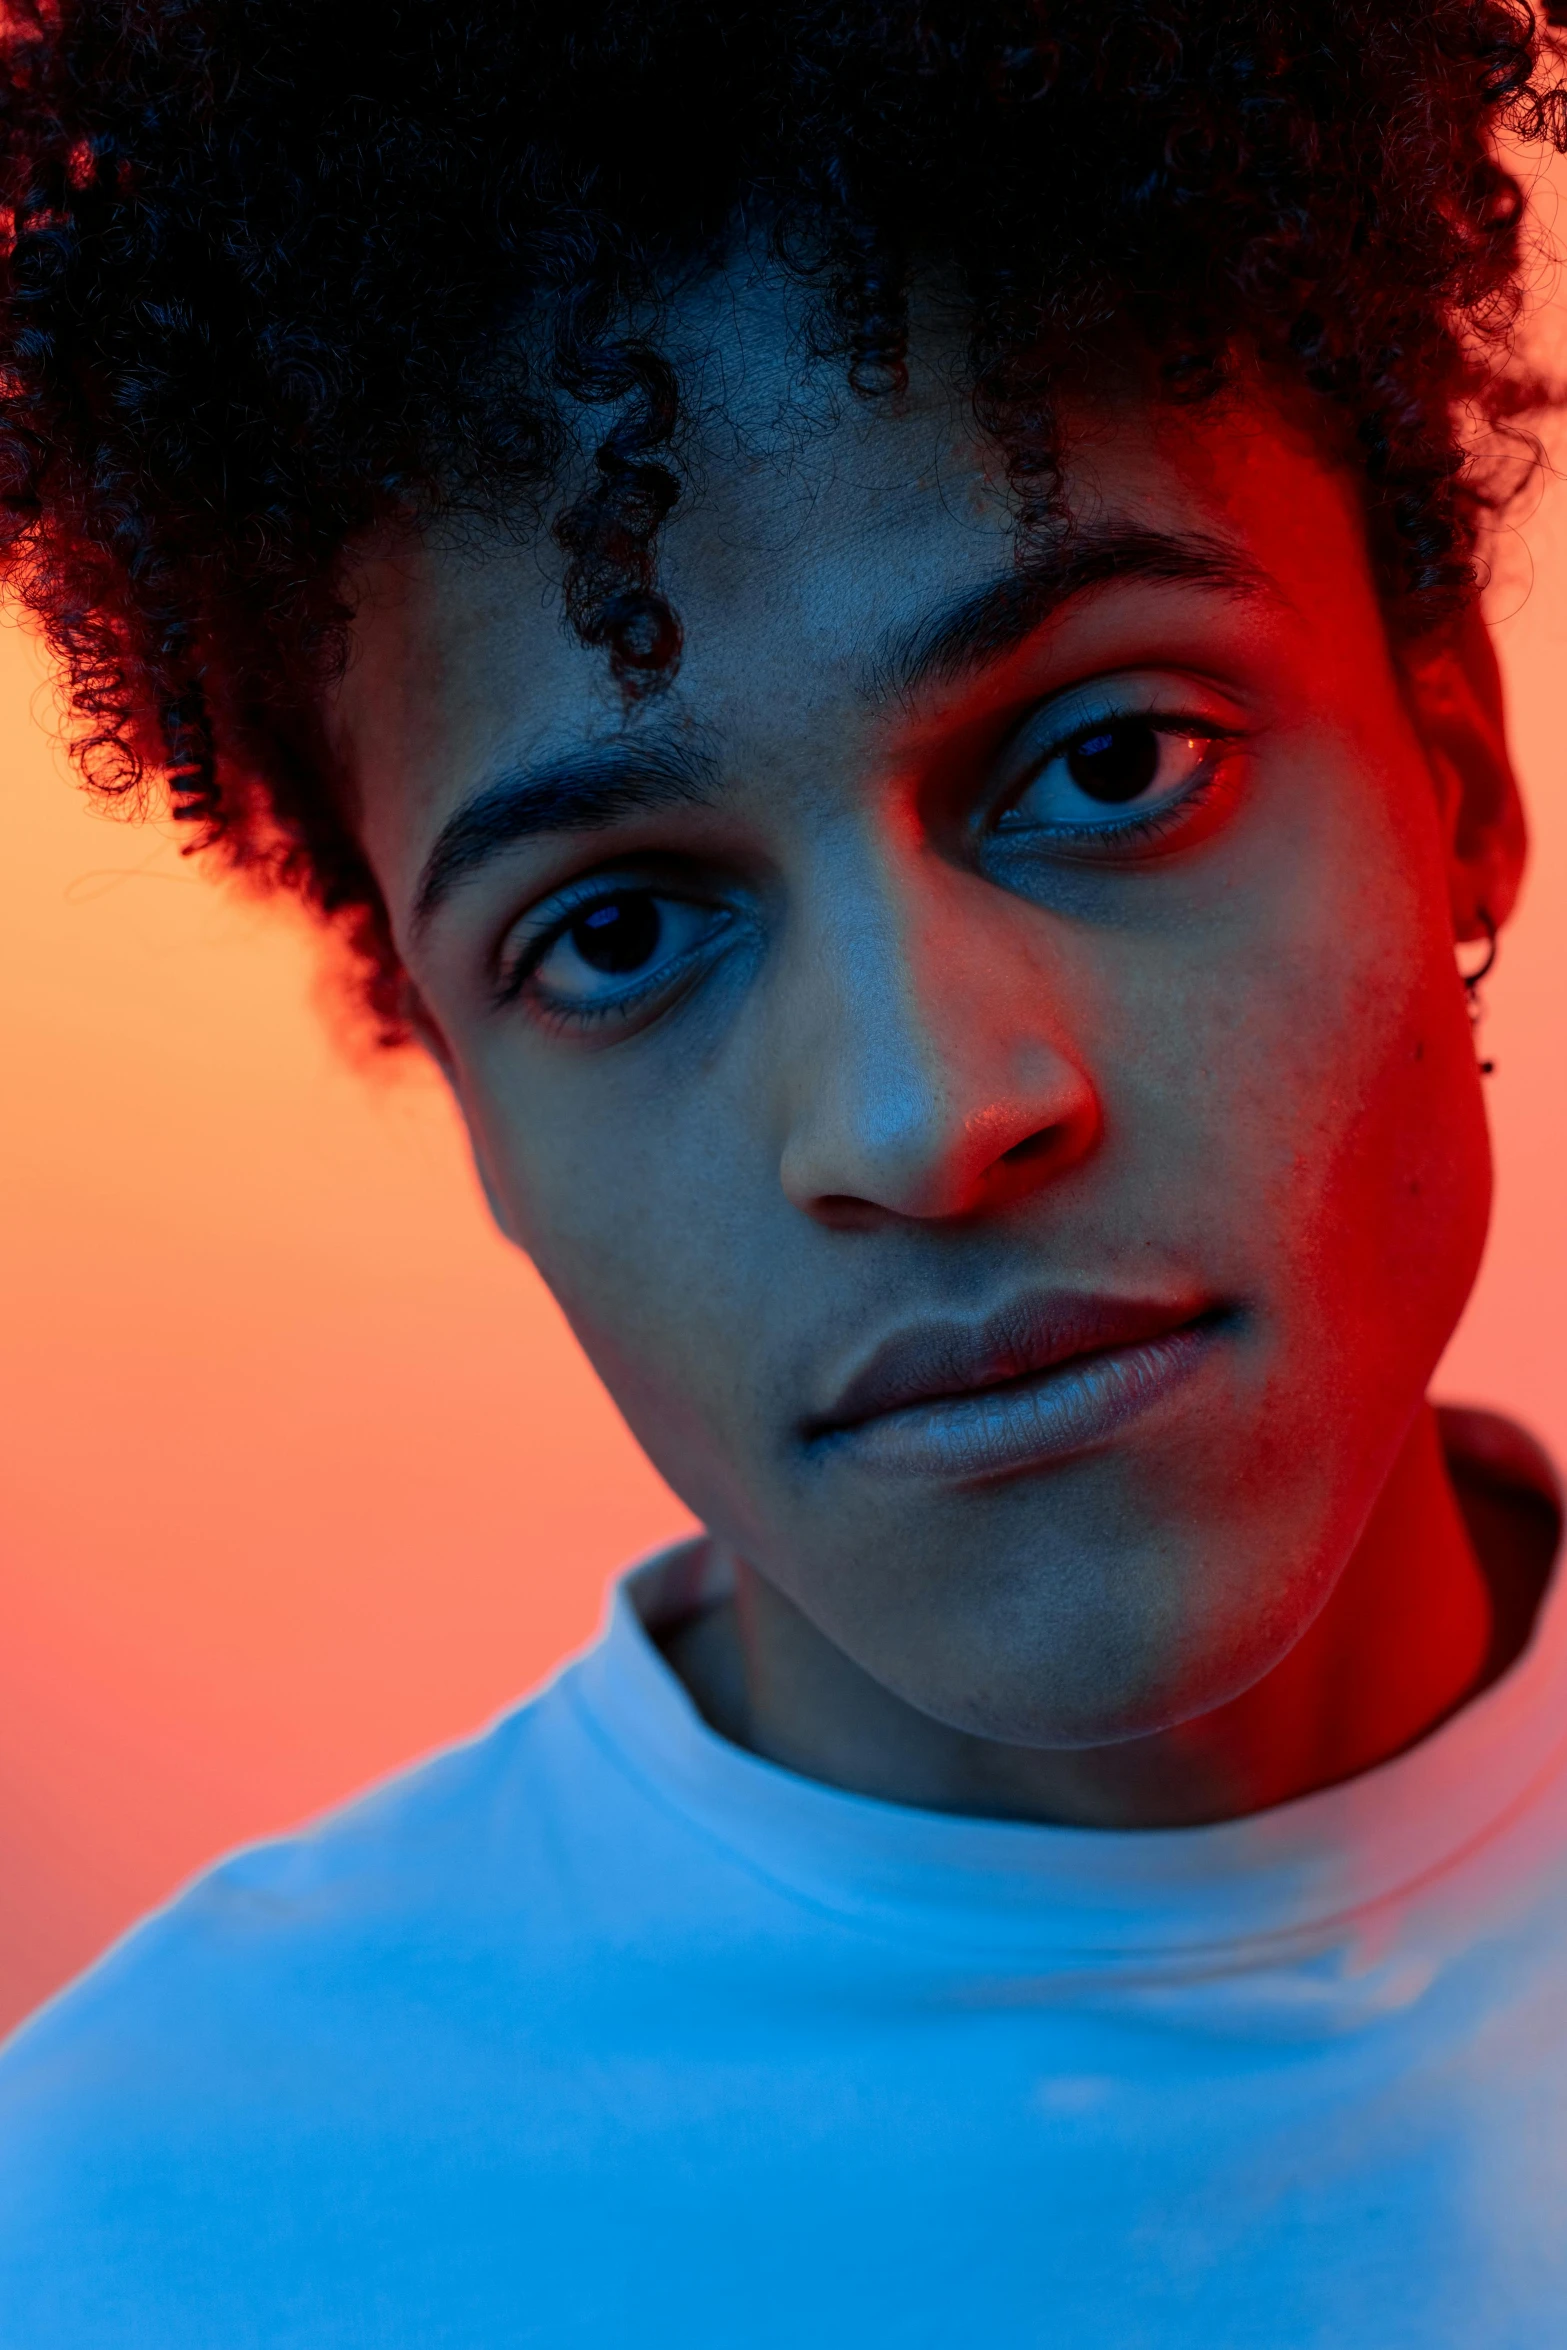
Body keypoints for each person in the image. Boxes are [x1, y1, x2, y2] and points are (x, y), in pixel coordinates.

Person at [2, 0, 1567, 2340]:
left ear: (1454, 764)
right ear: (461, 1085)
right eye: (618, 929)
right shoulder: (142, 2236)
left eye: (1117, 758)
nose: (929, 1117)